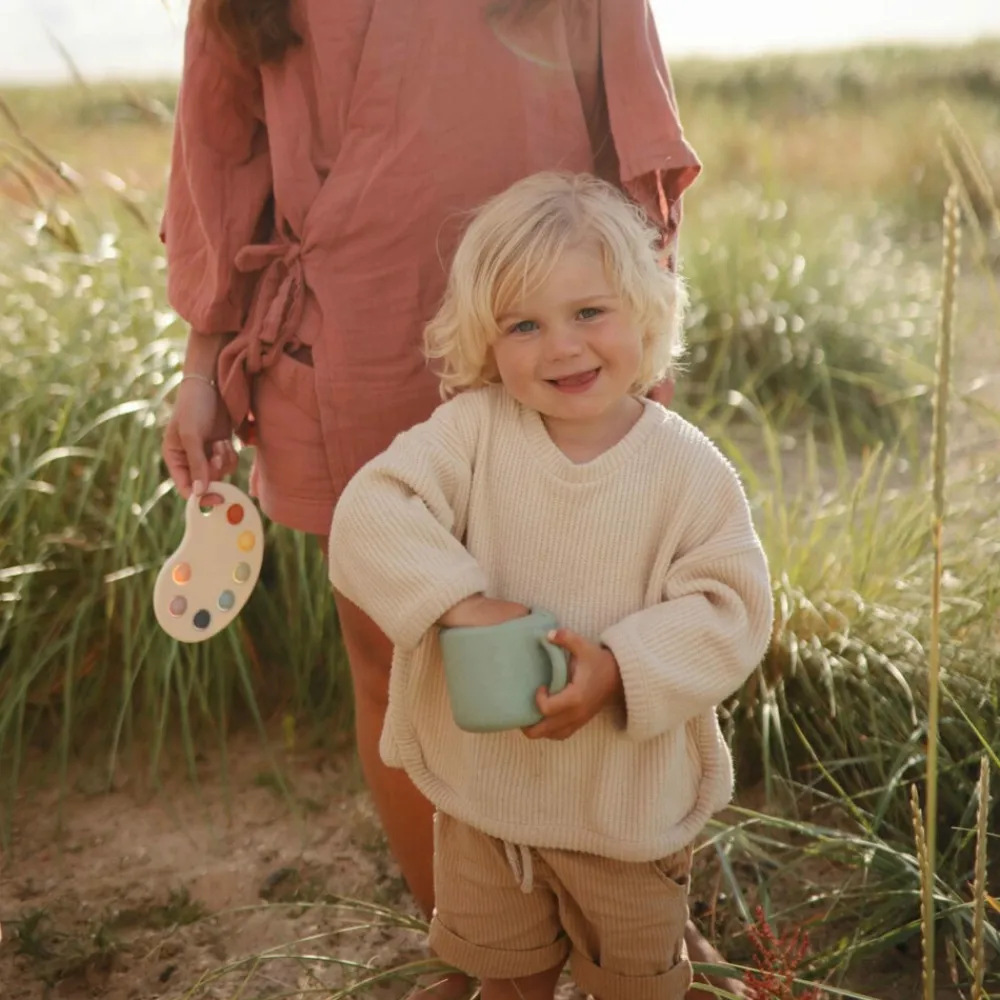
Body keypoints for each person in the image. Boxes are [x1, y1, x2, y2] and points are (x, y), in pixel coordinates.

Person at [160, 1, 742, 995]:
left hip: (568, 329)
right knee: (401, 658)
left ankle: (630, 901)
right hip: (347, 336)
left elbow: (636, 126)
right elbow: (217, 152)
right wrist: (205, 362)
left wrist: (630, 326)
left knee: (595, 628)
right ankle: (479, 937)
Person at [327, 172, 773, 999]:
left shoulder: (687, 471)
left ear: (646, 312)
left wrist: (617, 668)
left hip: (626, 813)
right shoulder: (472, 433)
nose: (562, 347)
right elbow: (368, 512)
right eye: (523, 324)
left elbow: (733, 611)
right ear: (484, 342)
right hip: (489, 803)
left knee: (637, 987)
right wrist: (459, 598)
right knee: (506, 981)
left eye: (589, 313)